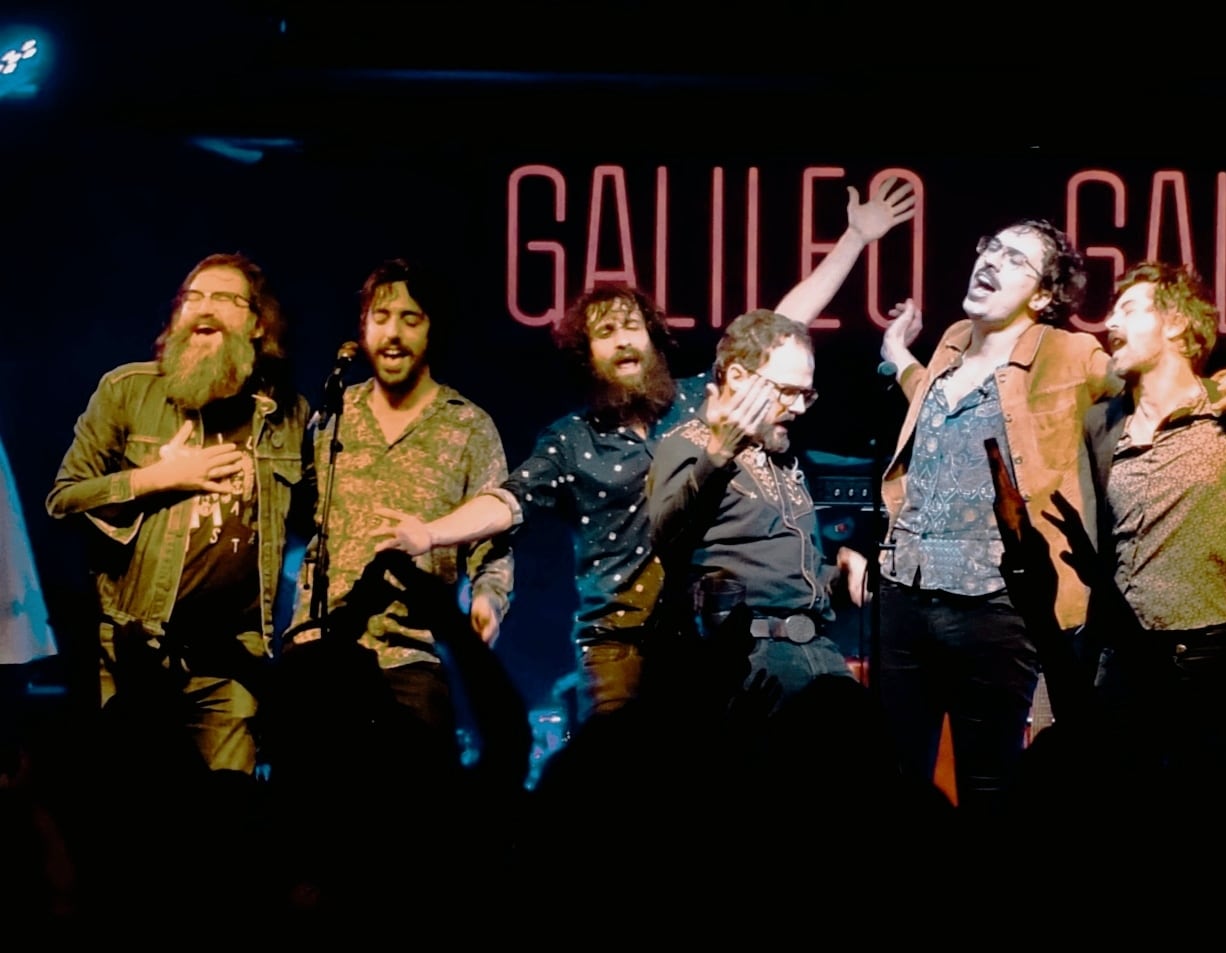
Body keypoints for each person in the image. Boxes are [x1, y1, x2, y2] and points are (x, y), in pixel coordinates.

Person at [375, 180, 916, 721]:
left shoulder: (697, 405)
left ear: (655, 338)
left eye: (633, 327)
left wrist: (853, 238)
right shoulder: (570, 440)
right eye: (605, 332)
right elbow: (507, 502)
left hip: (697, 635)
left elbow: (781, 332)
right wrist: (431, 532)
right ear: (587, 355)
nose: (623, 340)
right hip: (618, 642)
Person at [875, 221, 1226, 819]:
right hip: (905, 590)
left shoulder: (1070, 352)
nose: (993, 260)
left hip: (995, 606)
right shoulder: (950, 341)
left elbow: (1151, 385)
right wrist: (897, 355)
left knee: (990, 789)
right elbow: (934, 399)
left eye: (1016, 258)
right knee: (893, 784)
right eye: (991, 247)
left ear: (1042, 295)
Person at [46, 252, 313, 776]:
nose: (203, 307)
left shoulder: (289, 414)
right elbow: (63, 500)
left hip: (235, 661)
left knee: (227, 823)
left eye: (223, 298)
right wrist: (157, 478)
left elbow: (310, 528)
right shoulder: (128, 390)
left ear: (257, 324)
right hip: (134, 652)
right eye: (193, 297)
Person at [288, 257, 514, 762]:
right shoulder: (330, 416)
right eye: (382, 317)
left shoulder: (468, 427)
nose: (393, 334)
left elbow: (492, 546)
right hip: (319, 653)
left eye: (411, 319)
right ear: (363, 327)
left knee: (414, 823)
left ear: (432, 330)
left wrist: (488, 602)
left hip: (410, 658)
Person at [1077, 261, 1226, 811]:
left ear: (1176, 324)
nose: (1108, 322)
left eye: (1128, 309)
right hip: (1123, 659)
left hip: (1206, 658)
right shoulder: (1101, 425)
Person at [646, 309, 868, 707]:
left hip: (815, 651)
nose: (799, 408)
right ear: (737, 377)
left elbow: (786, 572)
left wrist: (839, 574)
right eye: (787, 391)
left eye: (807, 394)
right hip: (745, 660)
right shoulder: (687, 445)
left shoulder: (780, 459)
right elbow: (666, 538)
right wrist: (717, 456)